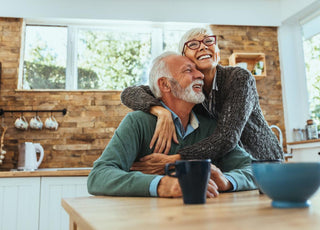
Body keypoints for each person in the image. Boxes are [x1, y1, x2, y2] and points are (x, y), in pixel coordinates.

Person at [87, 52, 256, 198]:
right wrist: (163, 185)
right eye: (189, 70)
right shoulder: (137, 123)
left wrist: (227, 181)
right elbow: (99, 176)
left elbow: (254, 170)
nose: (200, 75)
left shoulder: (211, 127)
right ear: (165, 84)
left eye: (197, 70)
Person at [121, 27, 284, 172]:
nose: (203, 46)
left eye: (208, 41)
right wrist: (160, 111)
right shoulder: (186, 90)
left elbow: (226, 138)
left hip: (262, 163)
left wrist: (174, 160)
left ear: (217, 52)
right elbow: (129, 93)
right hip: (228, 168)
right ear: (184, 58)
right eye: (193, 44)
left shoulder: (239, 78)